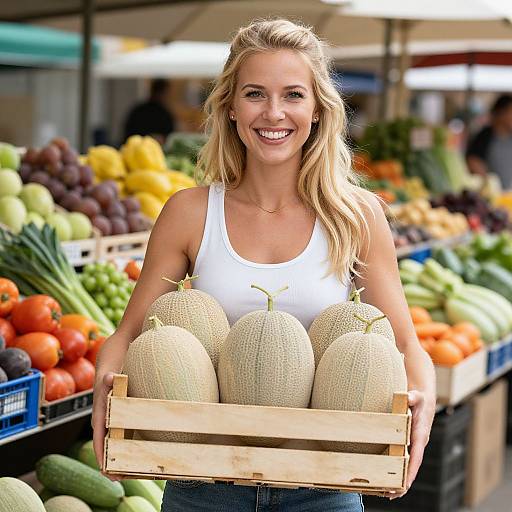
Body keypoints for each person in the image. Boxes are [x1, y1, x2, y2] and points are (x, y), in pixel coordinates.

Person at [93, 18, 436, 511]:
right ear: (230, 107)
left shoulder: (357, 216)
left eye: (293, 94)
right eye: (255, 93)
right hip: (202, 484)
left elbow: (406, 343)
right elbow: (127, 335)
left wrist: (421, 407)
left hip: (323, 487)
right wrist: (107, 386)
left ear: (318, 109)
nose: (274, 112)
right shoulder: (190, 213)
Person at [466, 94, 512, 189]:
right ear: (502, 113)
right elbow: (473, 160)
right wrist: (489, 184)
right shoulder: (485, 136)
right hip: (493, 194)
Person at [123, 78, 175, 145]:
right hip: (139, 147)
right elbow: (130, 133)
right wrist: (149, 137)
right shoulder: (139, 111)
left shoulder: (138, 110)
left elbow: (170, 136)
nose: (167, 96)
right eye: (166, 93)